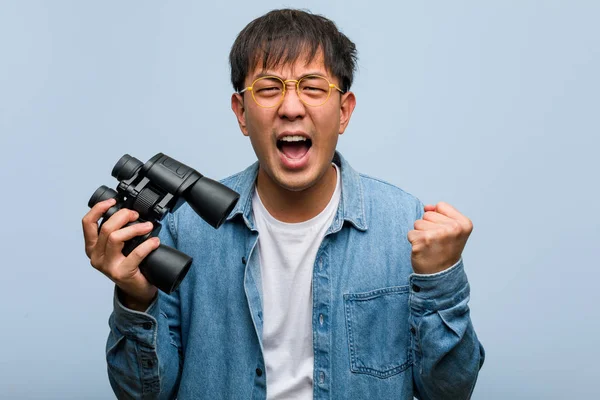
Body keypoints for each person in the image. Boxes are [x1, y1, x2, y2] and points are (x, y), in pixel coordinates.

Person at [82, 8, 484, 400]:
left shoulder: (402, 223)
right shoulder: (186, 227)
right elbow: (143, 394)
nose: (291, 108)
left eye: (313, 87)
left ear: (343, 111)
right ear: (241, 113)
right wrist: (135, 298)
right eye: (269, 89)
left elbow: (449, 392)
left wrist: (442, 281)